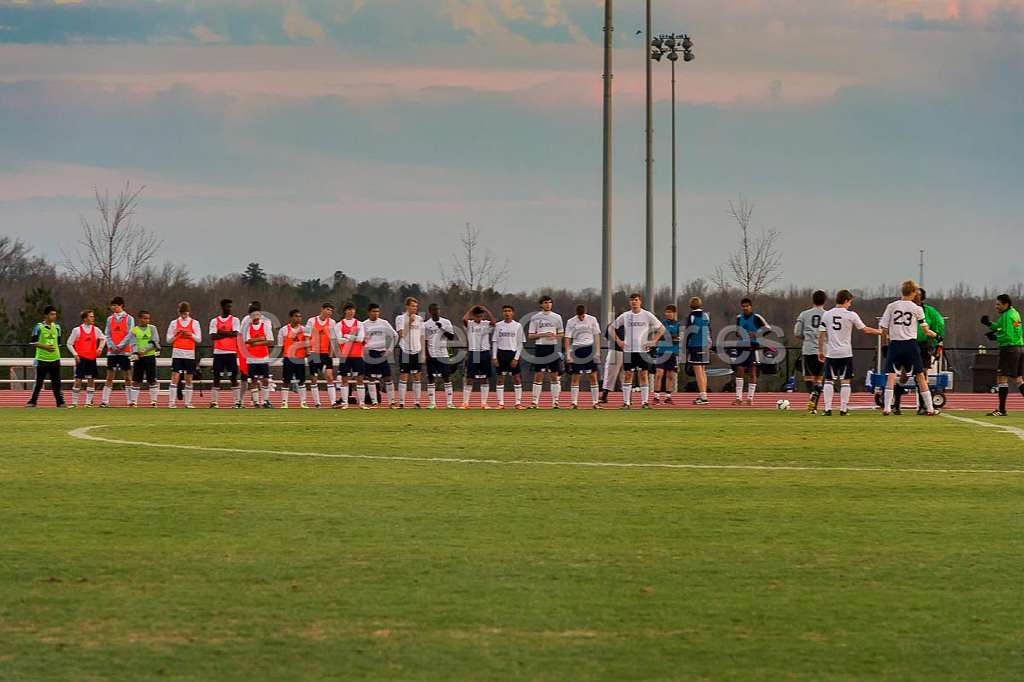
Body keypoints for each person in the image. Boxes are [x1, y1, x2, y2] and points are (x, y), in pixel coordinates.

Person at [817, 290, 882, 416]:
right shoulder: (851, 315)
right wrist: (881, 332)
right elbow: (866, 330)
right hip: (845, 353)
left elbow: (821, 335)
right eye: (850, 302)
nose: (850, 305)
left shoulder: (827, 314)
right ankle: (843, 409)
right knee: (845, 381)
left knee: (829, 381)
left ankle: (827, 409)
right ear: (846, 300)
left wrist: (821, 351)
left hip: (831, 353)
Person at [879, 280, 938, 416]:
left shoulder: (892, 306)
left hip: (895, 344)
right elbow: (926, 330)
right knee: (920, 376)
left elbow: (883, 328)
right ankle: (930, 408)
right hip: (910, 345)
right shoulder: (917, 308)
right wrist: (937, 336)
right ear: (913, 292)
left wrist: (885, 344)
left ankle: (887, 407)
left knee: (891, 376)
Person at [614, 293, 665, 409]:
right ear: (629, 302)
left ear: (640, 301)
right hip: (628, 350)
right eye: (632, 300)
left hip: (642, 350)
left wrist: (653, 341)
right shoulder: (625, 316)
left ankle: (644, 402)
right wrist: (618, 341)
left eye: (636, 300)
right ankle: (626, 403)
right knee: (627, 375)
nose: (634, 302)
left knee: (643, 375)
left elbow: (662, 329)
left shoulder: (647, 315)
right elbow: (611, 328)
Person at [982, 294, 1023, 416]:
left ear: (1006, 304)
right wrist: (989, 323)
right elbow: (1000, 327)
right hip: (1019, 348)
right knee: (1018, 380)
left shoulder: (1007, 316)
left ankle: (1002, 409)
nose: (996, 307)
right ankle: (1001, 409)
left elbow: (1007, 335)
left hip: (1009, 349)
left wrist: (995, 337)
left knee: (1001, 378)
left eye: (998, 304)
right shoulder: (1014, 313)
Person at [527, 295, 564, 409]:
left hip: (553, 348)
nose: (548, 304)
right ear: (541, 304)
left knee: (554, 376)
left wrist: (555, 336)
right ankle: (534, 402)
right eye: (545, 302)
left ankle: (555, 402)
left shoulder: (557, 317)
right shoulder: (535, 317)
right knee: (538, 375)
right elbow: (530, 336)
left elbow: (561, 333)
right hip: (540, 348)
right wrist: (543, 334)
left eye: (549, 302)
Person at [912, 289, 945, 414]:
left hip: (922, 345)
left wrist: (938, 344)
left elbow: (939, 324)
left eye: (918, 294)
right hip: (907, 344)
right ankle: (895, 403)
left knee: (922, 375)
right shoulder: (906, 308)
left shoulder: (929, 311)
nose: (915, 296)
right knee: (902, 376)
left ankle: (923, 406)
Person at [564, 304, 602, 409]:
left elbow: (597, 335)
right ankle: (574, 402)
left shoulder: (592, 319)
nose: (581, 318)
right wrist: (568, 354)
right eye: (579, 316)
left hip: (589, 349)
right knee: (576, 376)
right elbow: (567, 338)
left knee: (593, 376)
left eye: (582, 316)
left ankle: (595, 402)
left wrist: (598, 351)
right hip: (577, 350)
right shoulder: (571, 321)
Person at [795, 290, 827, 414]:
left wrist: (807, 337)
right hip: (823, 350)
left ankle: (812, 398)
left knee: (808, 378)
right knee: (819, 379)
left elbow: (797, 332)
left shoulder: (804, 314)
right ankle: (814, 407)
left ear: (813, 300)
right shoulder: (827, 314)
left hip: (808, 349)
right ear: (824, 301)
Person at [733, 298, 769, 406]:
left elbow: (768, 328)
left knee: (752, 372)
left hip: (753, 346)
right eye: (743, 306)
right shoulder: (739, 318)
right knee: (739, 370)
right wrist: (739, 334)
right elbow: (737, 331)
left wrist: (756, 334)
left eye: (747, 306)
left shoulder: (757, 317)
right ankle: (739, 398)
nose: (745, 308)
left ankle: (750, 398)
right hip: (741, 346)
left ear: (751, 306)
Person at [27, 305, 65, 407]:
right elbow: (33, 343)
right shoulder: (38, 327)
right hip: (42, 359)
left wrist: (56, 354)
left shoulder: (57, 327)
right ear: (46, 315)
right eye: (52, 314)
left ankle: (60, 402)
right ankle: (32, 401)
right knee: (39, 383)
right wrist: (45, 347)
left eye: (55, 314)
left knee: (56, 383)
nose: (54, 316)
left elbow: (58, 344)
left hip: (55, 359)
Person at [66, 309, 106, 408]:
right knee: (78, 380)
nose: (93, 318)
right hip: (81, 358)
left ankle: (88, 403)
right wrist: (75, 354)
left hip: (92, 358)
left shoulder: (96, 330)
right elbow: (69, 343)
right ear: (85, 318)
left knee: (91, 380)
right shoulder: (77, 330)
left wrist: (100, 348)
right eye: (91, 316)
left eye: (93, 316)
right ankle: (74, 403)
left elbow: (103, 338)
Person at [166, 301, 201, 408]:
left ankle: (188, 402)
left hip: (190, 354)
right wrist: (177, 334)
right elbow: (168, 340)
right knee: (175, 377)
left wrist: (190, 334)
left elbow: (199, 339)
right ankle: (171, 402)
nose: (183, 316)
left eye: (185, 313)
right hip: (177, 353)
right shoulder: (174, 323)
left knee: (189, 378)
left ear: (189, 312)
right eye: (182, 313)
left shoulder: (195, 323)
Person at [100, 297, 134, 408]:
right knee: (109, 376)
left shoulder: (129, 318)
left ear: (121, 306)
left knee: (127, 377)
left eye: (116, 305)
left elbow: (130, 334)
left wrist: (120, 346)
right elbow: (107, 333)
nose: (114, 307)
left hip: (124, 352)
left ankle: (131, 401)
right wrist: (111, 345)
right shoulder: (110, 319)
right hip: (112, 352)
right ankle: (105, 401)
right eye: (112, 305)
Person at [362, 303, 397, 408]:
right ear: (369, 312)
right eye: (373, 311)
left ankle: (392, 402)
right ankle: (374, 402)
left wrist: (390, 349)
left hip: (382, 352)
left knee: (388, 378)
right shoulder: (364, 324)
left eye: (377, 311)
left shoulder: (384, 323)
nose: (376, 314)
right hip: (370, 353)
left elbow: (395, 335)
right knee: (371, 378)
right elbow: (361, 340)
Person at [209, 299, 242, 409]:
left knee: (233, 377)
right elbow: (213, 336)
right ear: (223, 307)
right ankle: (214, 402)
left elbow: (235, 334)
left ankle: (237, 402)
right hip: (218, 352)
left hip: (231, 352)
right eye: (228, 307)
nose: (229, 309)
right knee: (216, 377)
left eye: (230, 306)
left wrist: (221, 332)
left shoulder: (235, 320)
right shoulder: (214, 321)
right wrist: (228, 333)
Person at [423, 303, 457, 409]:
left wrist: (442, 328)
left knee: (446, 377)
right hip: (432, 354)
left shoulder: (446, 322)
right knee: (431, 378)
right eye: (434, 309)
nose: (436, 311)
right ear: (430, 311)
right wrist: (425, 354)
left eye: (438, 309)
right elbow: (425, 340)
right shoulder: (426, 324)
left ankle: (450, 403)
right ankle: (432, 403)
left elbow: (451, 337)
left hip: (443, 354)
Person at [492, 304, 525, 409]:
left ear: (513, 313)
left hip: (512, 353)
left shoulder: (518, 326)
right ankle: (500, 403)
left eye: (509, 311)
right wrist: (494, 356)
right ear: (502, 313)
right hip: (501, 353)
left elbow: (520, 343)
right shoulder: (498, 325)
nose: (507, 313)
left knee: (516, 378)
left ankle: (518, 403)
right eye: (505, 311)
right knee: (500, 379)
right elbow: (495, 342)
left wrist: (516, 357)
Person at [462, 304, 495, 409]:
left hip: (484, 352)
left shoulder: (486, 323)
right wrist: (471, 310)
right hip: (474, 352)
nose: (479, 318)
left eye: (481, 316)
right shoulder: (470, 324)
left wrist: (487, 310)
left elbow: (494, 323)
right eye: (477, 316)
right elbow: (464, 319)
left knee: (484, 378)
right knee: (470, 378)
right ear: (474, 316)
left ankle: (484, 403)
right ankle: (465, 402)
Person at [242, 301, 274, 409]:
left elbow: (270, 340)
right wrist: (261, 338)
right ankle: (256, 402)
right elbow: (246, 340)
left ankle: (265, 401)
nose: (255, 317)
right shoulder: (247, 326)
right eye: (253, 315)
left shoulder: (265, 324)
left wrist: (255, 342)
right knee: (253, 380)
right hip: (251, 358)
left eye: (257, 314)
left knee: (265, 379)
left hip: (263, 356)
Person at [305, 303, 337, 408]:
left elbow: (332, 339)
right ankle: (317, 403)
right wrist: (308, 350)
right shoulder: (312, 321)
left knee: (329, 376)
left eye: (331, 311)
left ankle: (333, 402)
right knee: (314, 377)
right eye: (328, 310)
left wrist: (331, 354)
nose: (329, 312)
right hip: (314, 352)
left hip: (325, 353)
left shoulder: (332, 322)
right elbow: (307, 337)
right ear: (322, 309)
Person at [336, 304, 368, 409]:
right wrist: (352, 338)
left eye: (353, 310)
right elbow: (339, 340)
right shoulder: (339, 324)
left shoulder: (359, 324)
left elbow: (361, 338)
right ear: (345, 311)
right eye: (349, 310)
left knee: (360, 379)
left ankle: (362, 403)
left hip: (357, 355)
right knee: (344, 379)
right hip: (345, 355)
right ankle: (345, 403)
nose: (351, 312)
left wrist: (347, 336)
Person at [395, 297, 425, 408]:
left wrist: (423, 352)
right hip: (405, 350)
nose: (415, 308)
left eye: (416, 306)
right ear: (407, 306)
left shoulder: (420, 319)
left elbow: (422, 336)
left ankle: (417, 402)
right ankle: (402, 403)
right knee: (404, 376)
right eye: (412, 306)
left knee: (417, 377)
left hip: (416, 351)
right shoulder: (400, 318)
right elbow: (402, 334)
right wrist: (409, 322)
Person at [127, 310, 161, 408]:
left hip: (150, 356)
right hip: (139, 357)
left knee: (152, 379)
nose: (147, 320)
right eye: (145, 318)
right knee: (136, 380)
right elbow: (132, 343)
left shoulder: (152, 328)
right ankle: (133, 402)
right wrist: (136, 351)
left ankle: (154, 401)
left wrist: (144, 350)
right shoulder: (134, 330)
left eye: (148, 318)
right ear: (140, 319)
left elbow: (155, 341)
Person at [278, 309, 311, 409]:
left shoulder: (304, 329)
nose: (299, 318)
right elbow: (281, 345)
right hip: (288, 358)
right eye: (296, 316)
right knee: (286, 381)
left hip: (300, 358)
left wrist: (307, 352)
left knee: (301, 381)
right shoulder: (283, 330)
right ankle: (284, 402)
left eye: (300, 316)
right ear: (291, 317)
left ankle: (303, 402)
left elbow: (307, 343)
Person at [684, 298, 712, 405]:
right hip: (705, 345)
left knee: (698, 371)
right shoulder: (706, 315)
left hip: (695, 345)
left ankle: (703, 396)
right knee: (703, 370)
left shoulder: (691, 316)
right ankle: (703, 394)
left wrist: (686, 346)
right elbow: (709, 331)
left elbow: (689, 332)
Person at [653, 304, 681, 404]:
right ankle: (656, 396)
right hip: (662, 352)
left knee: (670, 375)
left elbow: (678, 338)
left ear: (674, 313)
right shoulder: (662, 323)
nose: (668, 314)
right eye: (666, 312)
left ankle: (668, 396)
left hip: (673, 352)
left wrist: (673, 338)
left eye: (670, 312)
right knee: (659, 374)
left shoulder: (677, 324)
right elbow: (660, 336)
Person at [600, 310, 624, 404]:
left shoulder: (612, 325)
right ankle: (627, 399)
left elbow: (605, 338)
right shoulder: (629, 326)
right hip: (627, 352)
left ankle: (605, 395)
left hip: (615, 351)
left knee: (610, 375)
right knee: (625, 376)